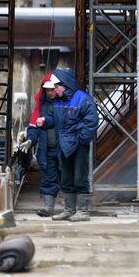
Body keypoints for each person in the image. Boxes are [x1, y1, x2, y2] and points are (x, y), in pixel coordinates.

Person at [36, 68, 98, 221]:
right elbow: (53, 118)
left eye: (57, 86)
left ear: (66, 84)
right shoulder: (58, 102)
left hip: (77, 145)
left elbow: (92, 121)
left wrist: (81, 140)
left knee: (80, 177)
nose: (55, 90)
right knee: (66, 178)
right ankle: (69, 210)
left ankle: (83, 211)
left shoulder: (83, 99)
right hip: (64, 145)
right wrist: (44, 121)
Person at [17, 72, 60, 216]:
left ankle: (73, 209)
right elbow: (34, 127)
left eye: (52, 89)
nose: (50, 92)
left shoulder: (66, 103)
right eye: (47, 90)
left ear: (58, 88)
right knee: (48, 178)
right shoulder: (40, 107)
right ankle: (49, 208)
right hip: (47, 149)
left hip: (65, 148)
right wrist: (30, 140)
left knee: (69, 178)